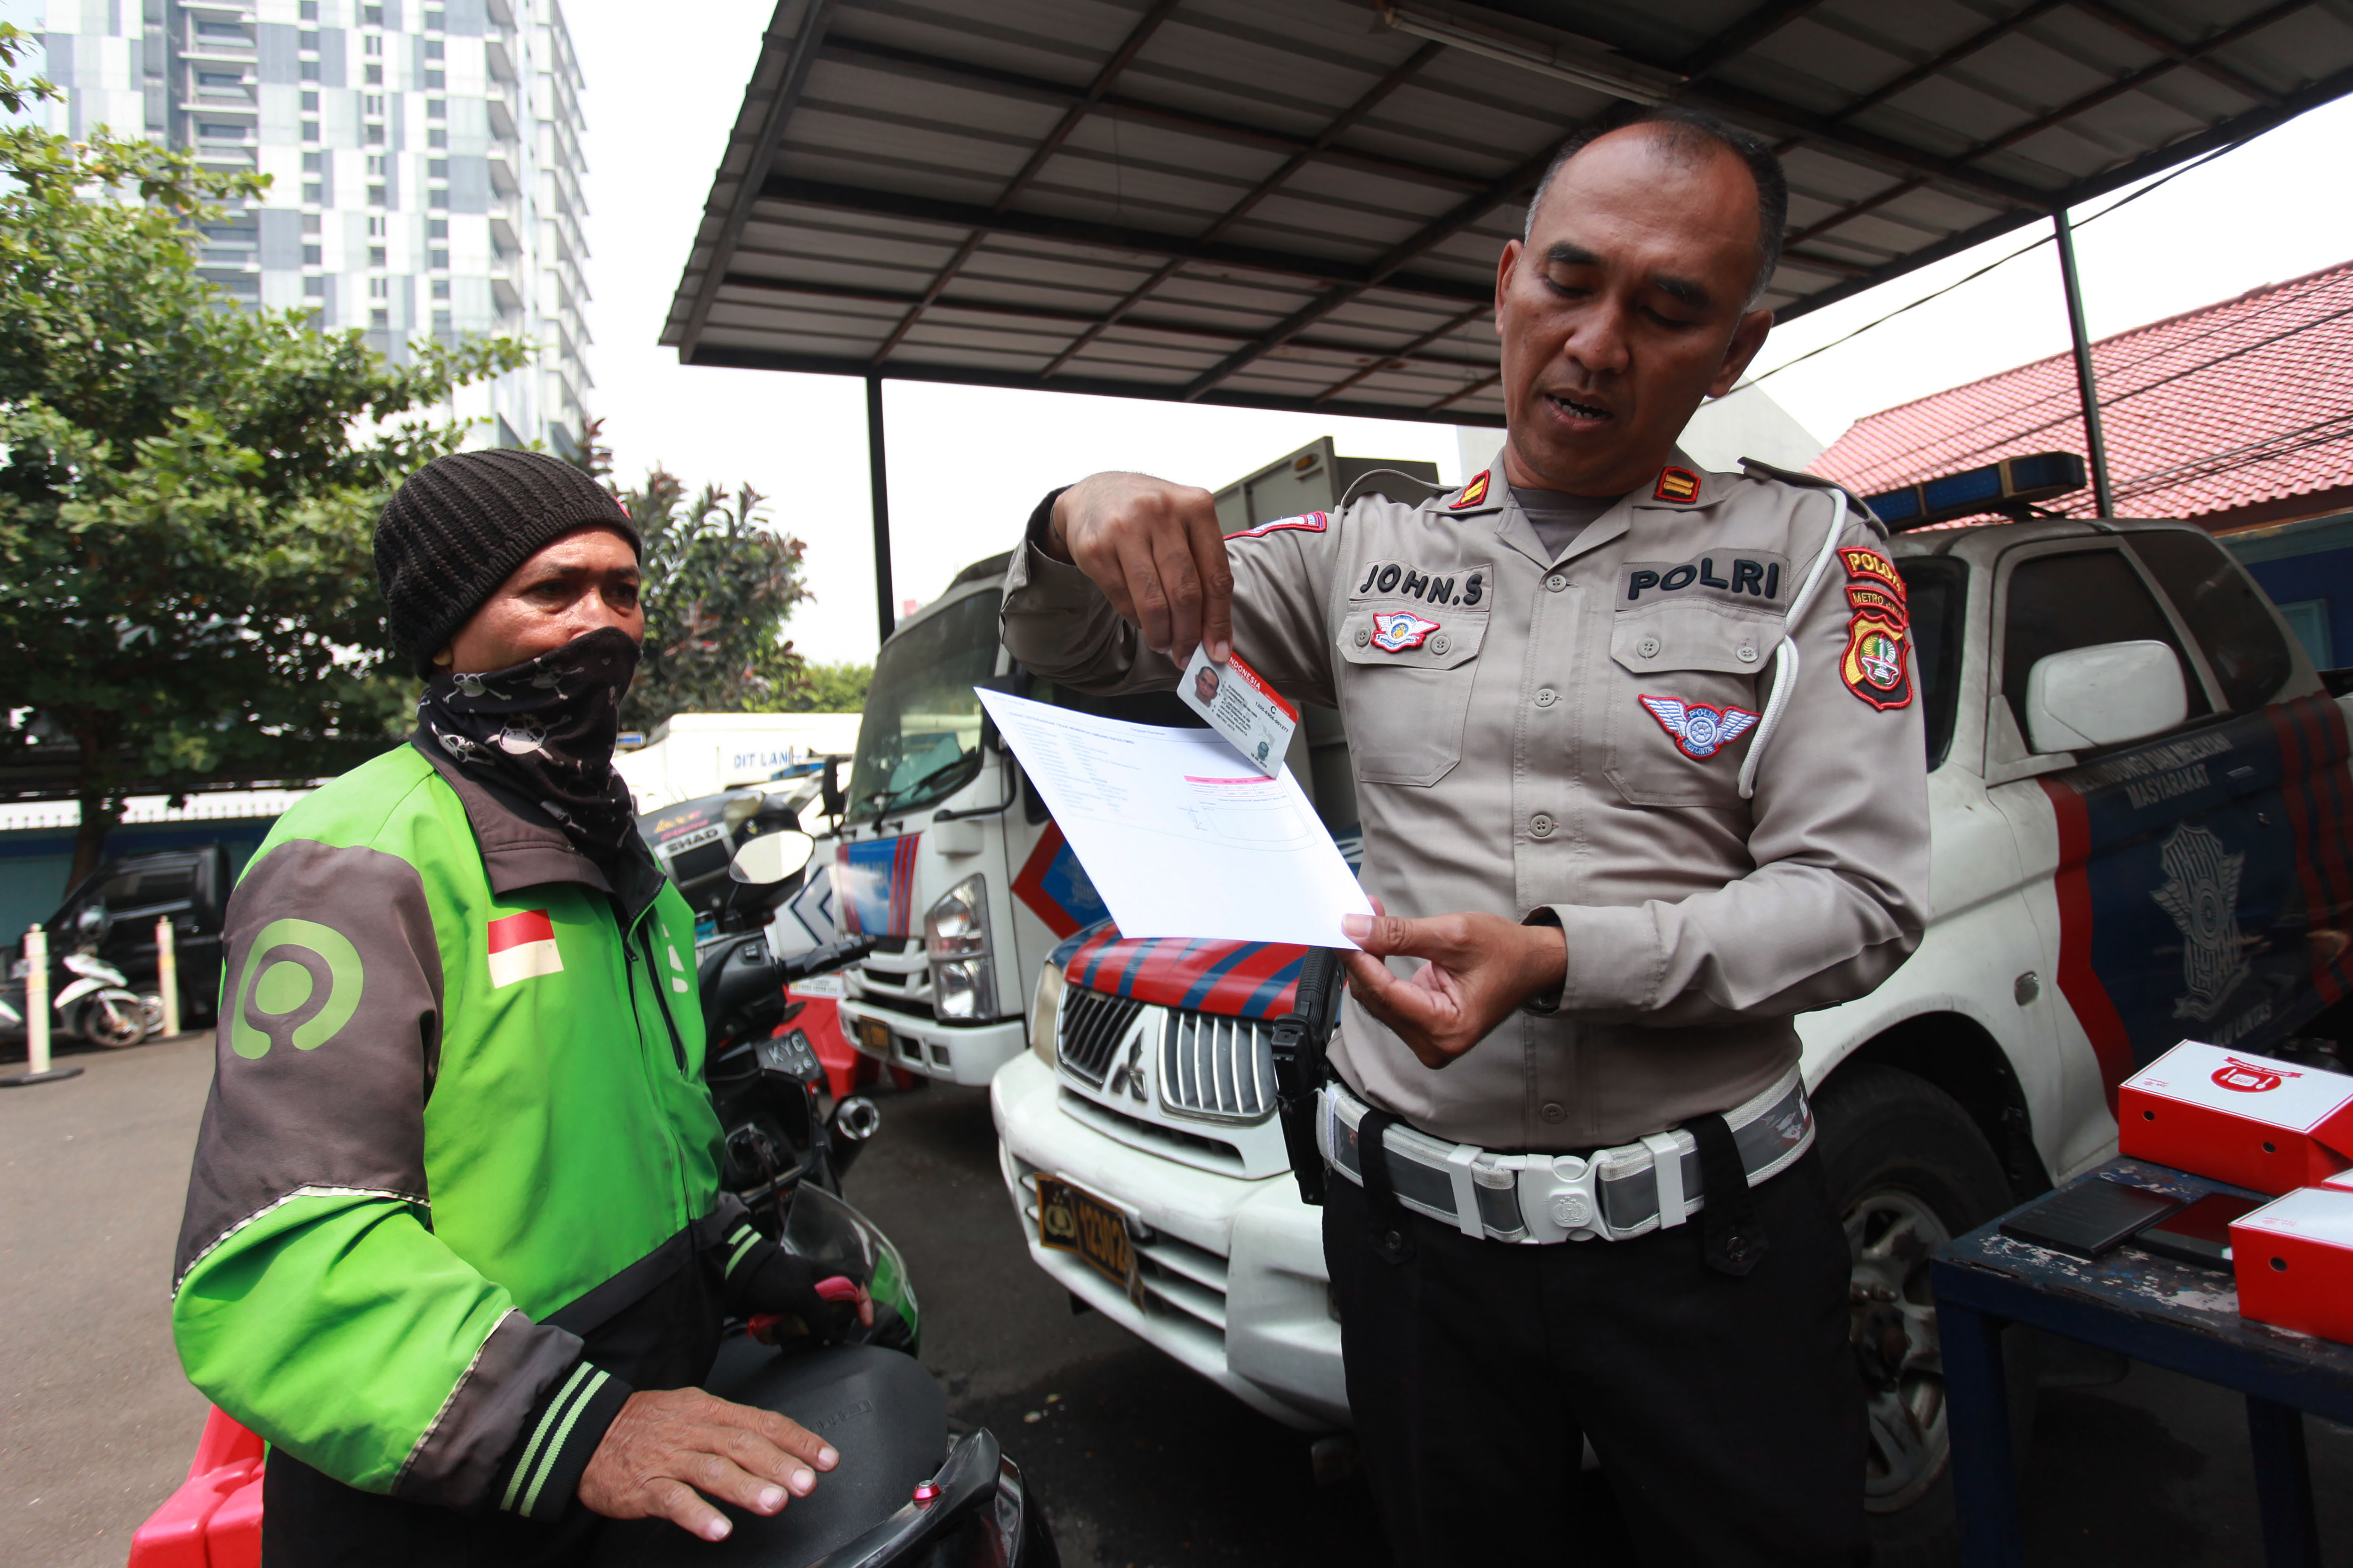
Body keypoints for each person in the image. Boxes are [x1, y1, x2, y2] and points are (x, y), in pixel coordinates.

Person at [1000, 106, 1929, 1566]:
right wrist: (1069, 518)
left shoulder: (1813, 555)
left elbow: (1859, 900)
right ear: (1506, 281)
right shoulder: (1362, 555)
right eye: (1570, 281)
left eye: (1669, 309)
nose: (1598, 343)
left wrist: (1562, 959)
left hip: (1712, 1250)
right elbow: (1098, 655)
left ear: (1737, 352)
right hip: (1414, 1252)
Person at [171, 448, 871, 1566]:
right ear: (446, 628)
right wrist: (570, 1423)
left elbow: (643, 1133)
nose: (603, 624)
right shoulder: (355, 860)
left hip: (633, 1444)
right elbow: (280, 1259)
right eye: (552, 589)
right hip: (456, 1486)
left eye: (624, 591)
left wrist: (733, 1261)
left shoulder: (614, 840)